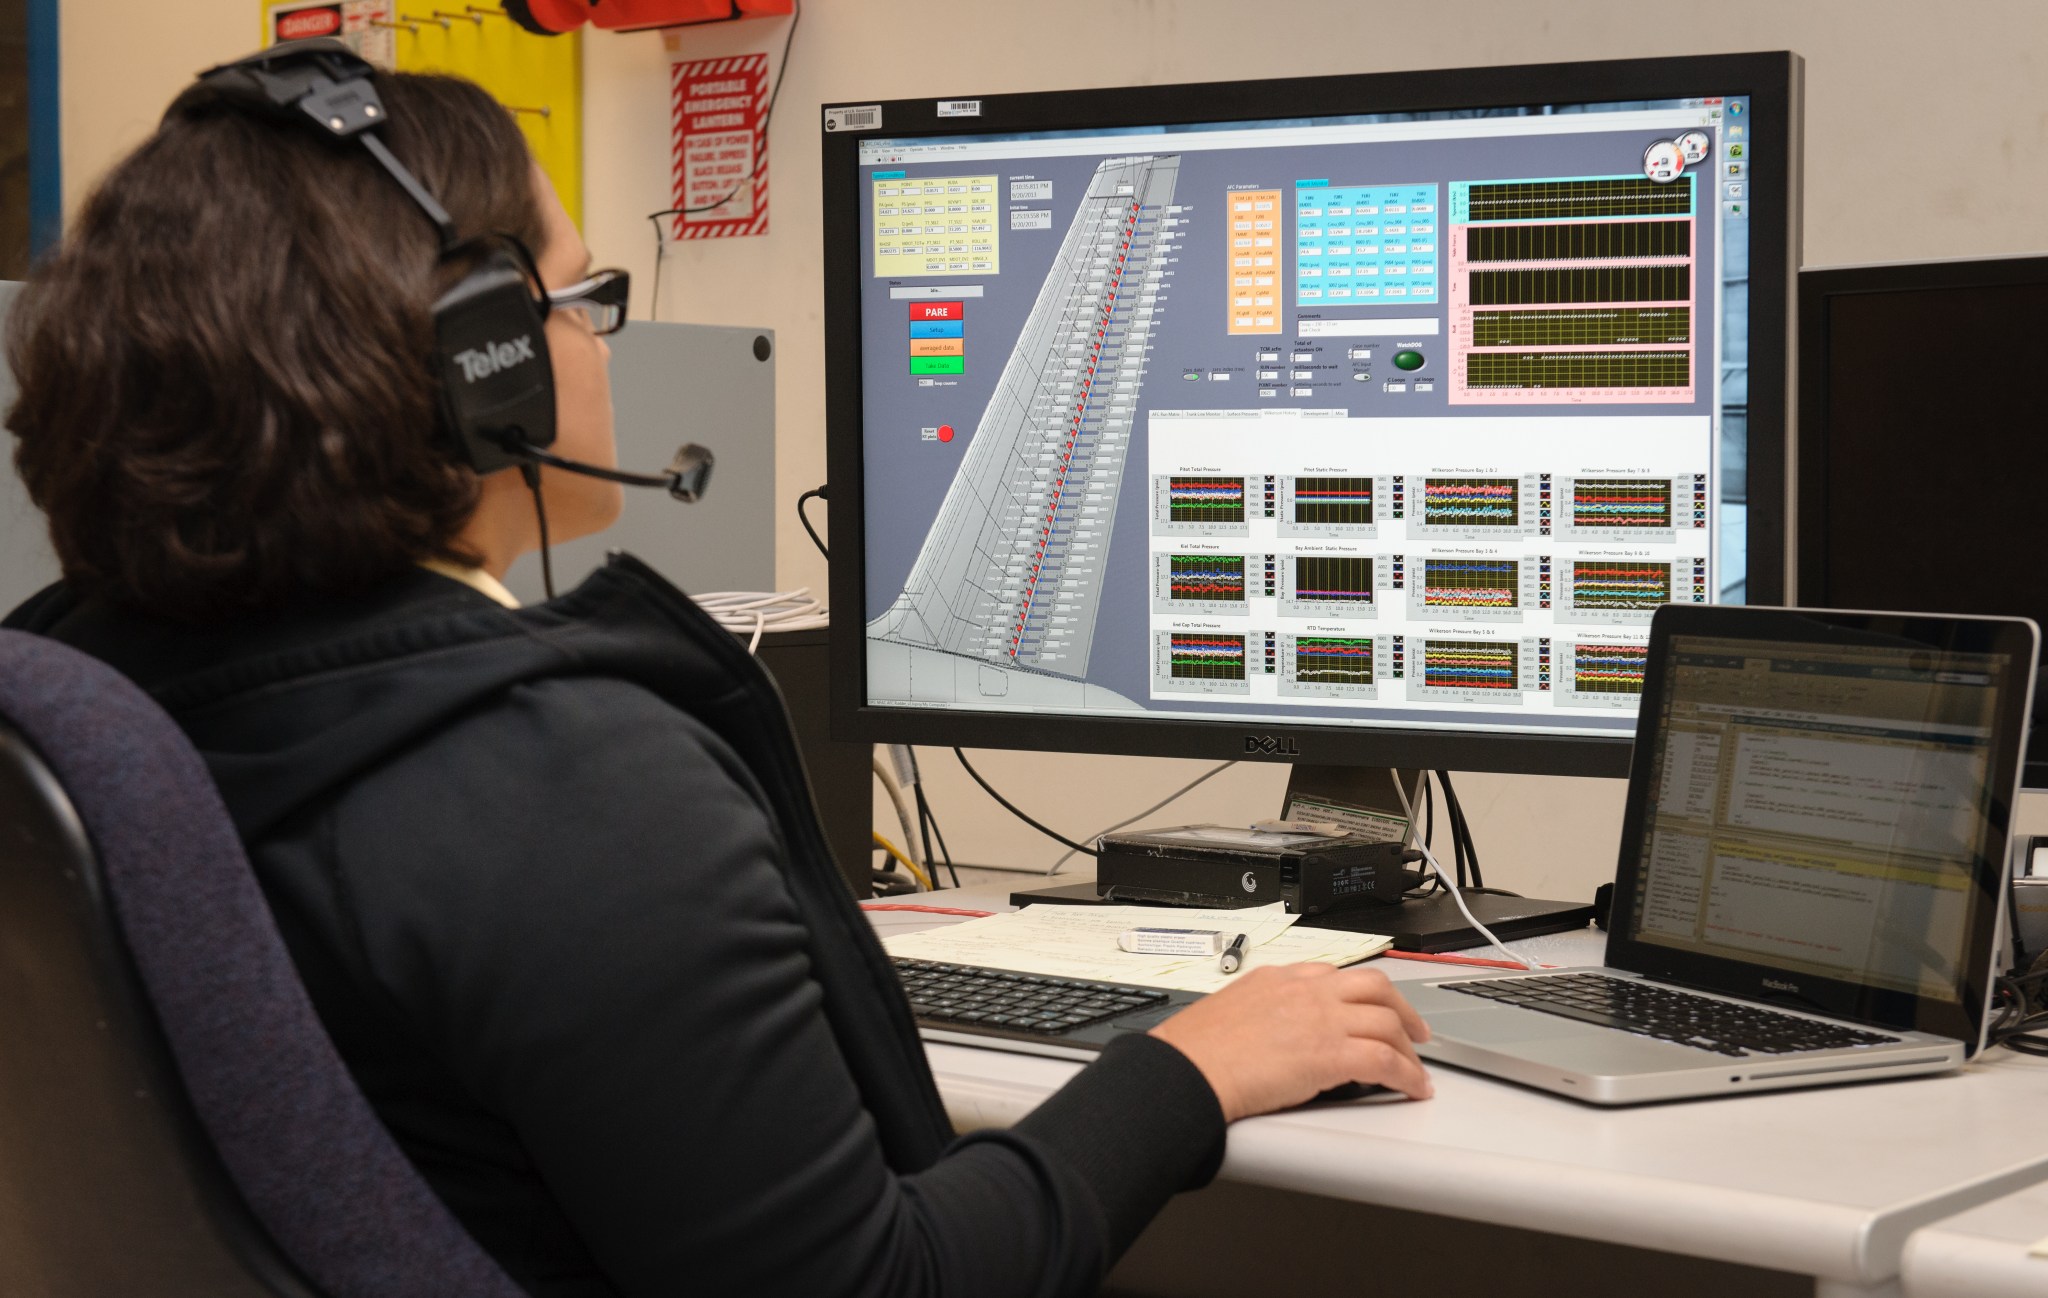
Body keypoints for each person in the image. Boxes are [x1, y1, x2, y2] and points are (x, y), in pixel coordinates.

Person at [2, 61, 1433, 1298]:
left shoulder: (91, 693)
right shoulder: (563, 794)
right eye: (587, 297)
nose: (602, 336)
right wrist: (1189, 1071)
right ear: (482, 369)